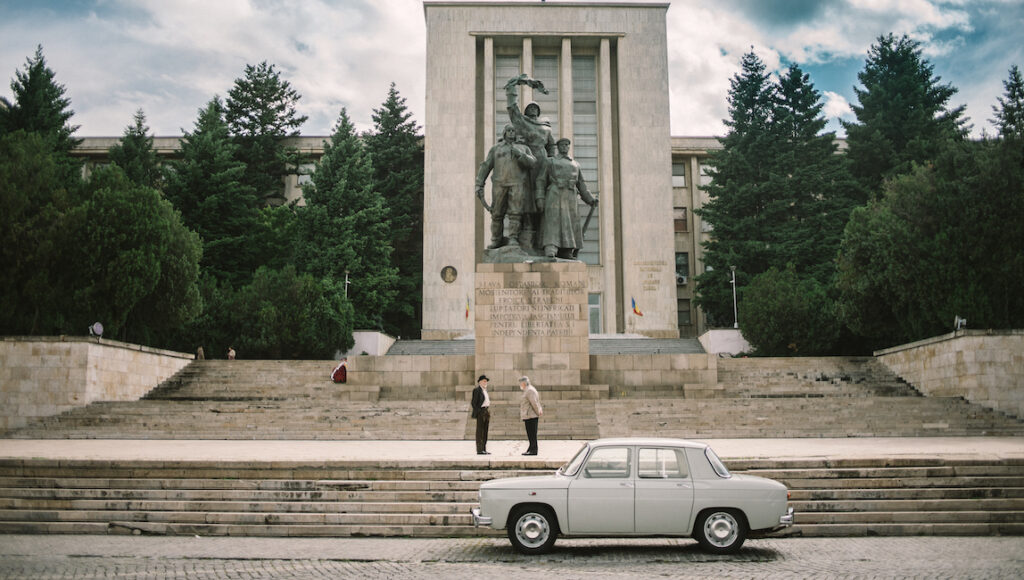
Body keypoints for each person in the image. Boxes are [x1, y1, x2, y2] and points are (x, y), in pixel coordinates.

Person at [505, 74, 556, 250]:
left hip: (543, 162)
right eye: (530, 107)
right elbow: (513, 110)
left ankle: (543, 235)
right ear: (527, 111)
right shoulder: (523, 123)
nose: (533, 110)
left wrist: (551, 162)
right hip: (527, 161)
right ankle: (525, 231)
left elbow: (551, 146)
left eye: (536, 107)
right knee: (526, 195)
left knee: (543, 196)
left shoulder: (546, 128)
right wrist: (512, 88)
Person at [534, 137, 598, 259]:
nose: (565, 147)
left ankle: (567, 250)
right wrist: (540, 198)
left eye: (567, 145)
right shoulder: (550, 161)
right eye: (562, 145)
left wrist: (590, 199)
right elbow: (541, 180)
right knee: (552, 221)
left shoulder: (575, 165)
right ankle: (550, 247)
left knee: (570, 223)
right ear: (558, 147)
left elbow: (581, 185)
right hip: (554, 193)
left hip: (570, 196)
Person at [475, 124, 536, 249]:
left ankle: (513, 238)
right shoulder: (496, 149)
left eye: (513, 130)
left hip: (517, 184)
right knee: (497, 213)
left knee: (515, 213)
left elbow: (532, 162)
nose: (511, 133)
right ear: (504, 133)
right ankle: (496, 239)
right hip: (499, 184)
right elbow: (486, 165)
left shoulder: (523, 148)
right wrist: (479, 183)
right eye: (509, 130)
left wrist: (521, 155)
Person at [519, 375, 543, 455]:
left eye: (521, 383)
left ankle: (533, 450)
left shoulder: (529, 390)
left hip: (531, 416)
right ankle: (531, 448)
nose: (520, 385)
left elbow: (534, 403)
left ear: (524, 383)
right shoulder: (528, 390)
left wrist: (538, 412)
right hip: (529, 415)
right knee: (530, 434)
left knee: (532, 434)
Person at [471, 375, 491, 455]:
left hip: (486, 411)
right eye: (484, 381)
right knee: (480, 431)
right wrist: (479, 411)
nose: (485, 382)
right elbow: (474, 403)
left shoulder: (485, 390)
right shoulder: (477, 390)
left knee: (485, 431)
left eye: (486, 381)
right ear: (480, 382)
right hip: (481, 411)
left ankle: (484, 448)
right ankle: (479, 449)